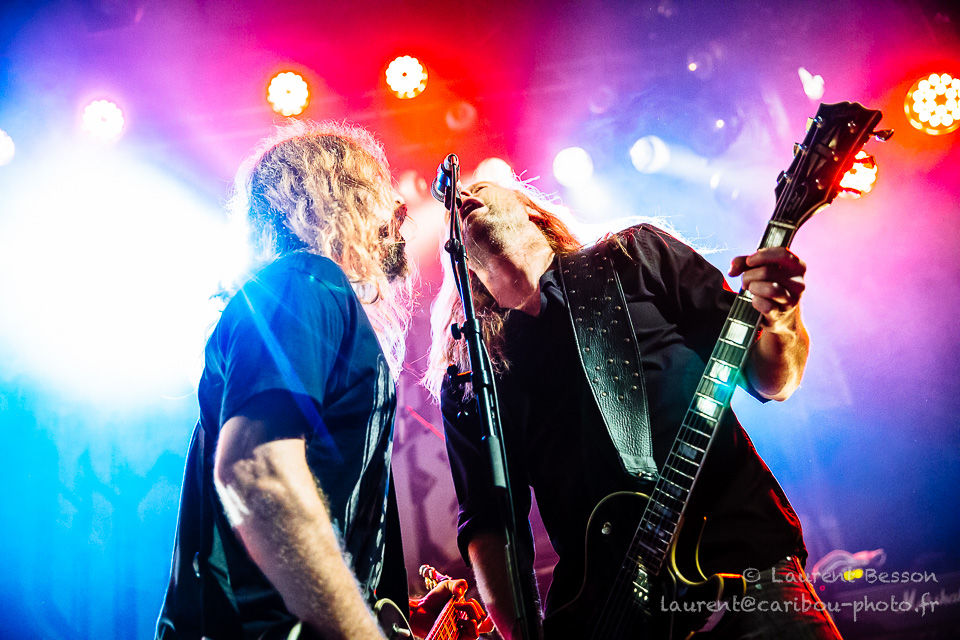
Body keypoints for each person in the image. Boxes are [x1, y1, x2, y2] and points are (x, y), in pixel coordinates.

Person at [425, 180, 844, 639]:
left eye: (480, 186)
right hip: (611, 617)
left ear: (531, 211)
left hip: (743, 561)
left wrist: (782, 319)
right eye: (454, 203)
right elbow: (489, 525)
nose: (462, 196)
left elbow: (773, 380)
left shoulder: (634, 255)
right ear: (455, 257)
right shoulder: (471, 375)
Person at [156, 120, 488, 640]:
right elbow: (255, 470)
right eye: (378, 186)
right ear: (340, 197)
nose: (400, 207)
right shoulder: (306, 280)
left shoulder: (299, 295)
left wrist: (394, 611)